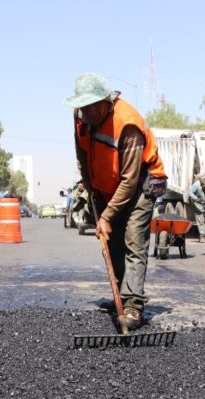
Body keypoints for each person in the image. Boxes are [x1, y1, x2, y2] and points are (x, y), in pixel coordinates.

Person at [65, 72, 167, 328]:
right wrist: (88, 182)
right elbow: (81, 149)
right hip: (106, 188)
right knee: (112, 243)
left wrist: (108, 215)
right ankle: (121, 294)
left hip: (141, 184)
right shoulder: (80, 117)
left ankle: (132, 306)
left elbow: (130, 180)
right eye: (82, 107)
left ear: (105, 102)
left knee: (133, 239)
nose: (85, 113)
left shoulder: (128, 125)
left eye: (90, 107)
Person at [189, 175, 205, 243]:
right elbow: (190, 193)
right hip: (198, 203)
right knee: (200, 218)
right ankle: (202, 235)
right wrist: (196, 198)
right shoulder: (197, 184)